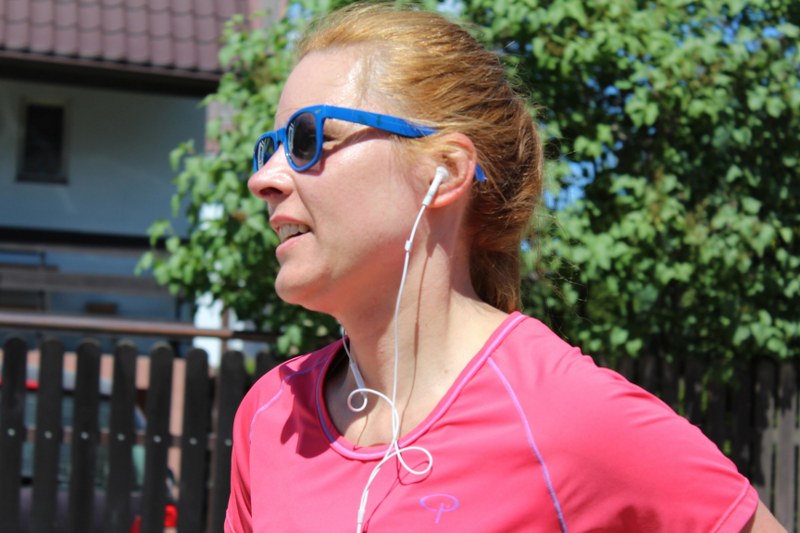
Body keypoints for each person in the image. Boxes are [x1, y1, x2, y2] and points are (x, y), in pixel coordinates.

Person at [225, 3, 786, 532]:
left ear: (445, 171)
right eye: (269, 147)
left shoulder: (567, 417)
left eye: (307, 139)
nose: (263, 179)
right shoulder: (270, 415)